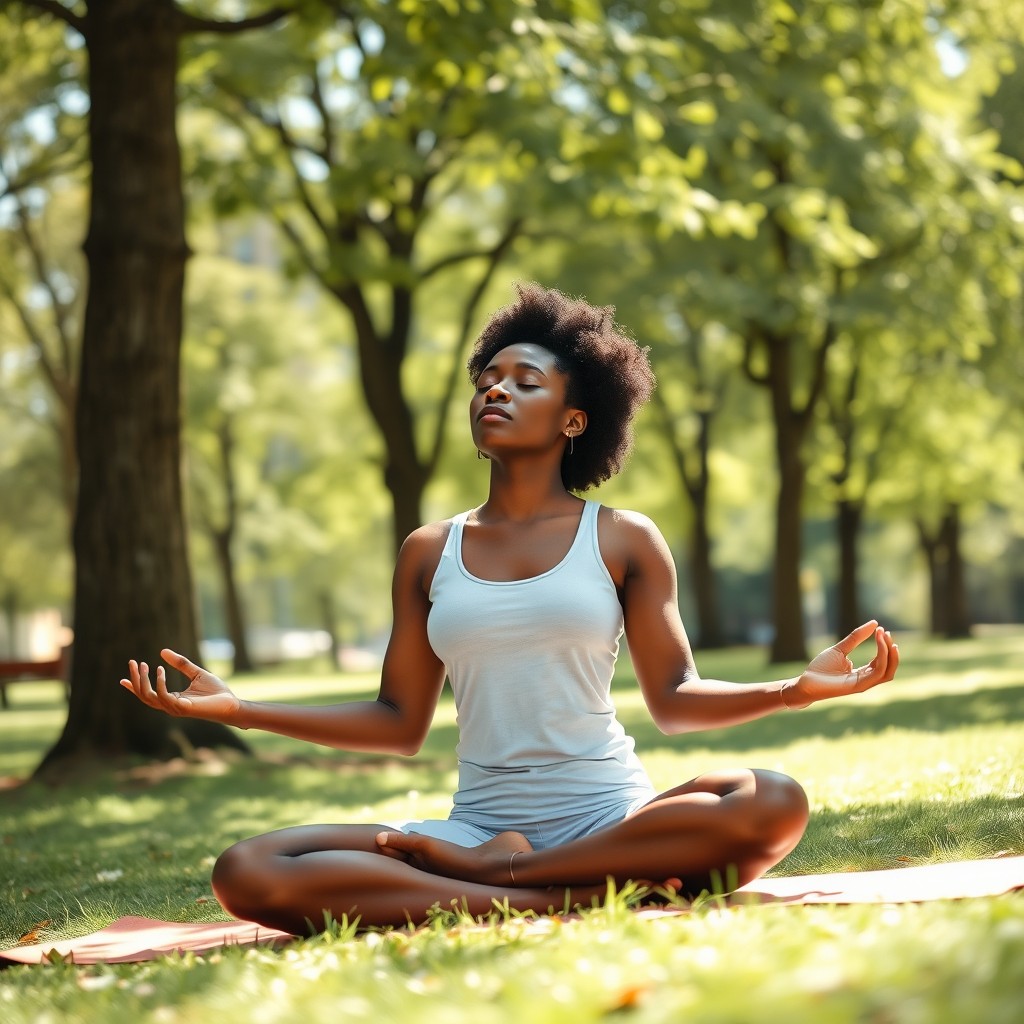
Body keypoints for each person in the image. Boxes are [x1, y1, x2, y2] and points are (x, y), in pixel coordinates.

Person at [120, 283, 899, 934]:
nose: (496, 389)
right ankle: (570, 894)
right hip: (474, 828)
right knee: (250, 870)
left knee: (772, 799)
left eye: (526, 381)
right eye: (488, 379)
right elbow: (398, 721)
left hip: (612, 821)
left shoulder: (624, 538)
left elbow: (676, 702)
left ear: (574, 420)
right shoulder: (429, 550)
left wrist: (793, 691)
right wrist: (243, 711)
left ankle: (514, 880)